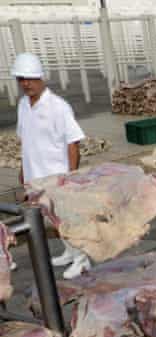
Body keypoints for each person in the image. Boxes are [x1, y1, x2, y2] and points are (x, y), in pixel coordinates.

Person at [12, 53, 90, 279]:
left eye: (30, 78)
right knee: (53, 220)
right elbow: (26, 140)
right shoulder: (23, 106)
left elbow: (73, 143)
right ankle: (69, 252)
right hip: (35, 176)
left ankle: (81, 259)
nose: (26, 83)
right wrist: (23, 171)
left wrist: (70, 176)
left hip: (56, 175)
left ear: (40, 77)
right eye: (21, 79)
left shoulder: (58, 107)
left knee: (67, 219)